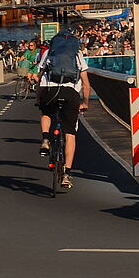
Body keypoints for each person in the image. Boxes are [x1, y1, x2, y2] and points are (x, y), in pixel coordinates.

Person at [36, 31, 90, 189]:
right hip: (70, 94)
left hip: (51, 91)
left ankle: (46, 139)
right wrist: (85, 103)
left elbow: (40, 79)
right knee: (70, 133)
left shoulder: (48, 52)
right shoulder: (77, 54)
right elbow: (86, 85)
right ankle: (67, 173)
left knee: (46, 112)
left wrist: (39, 99)